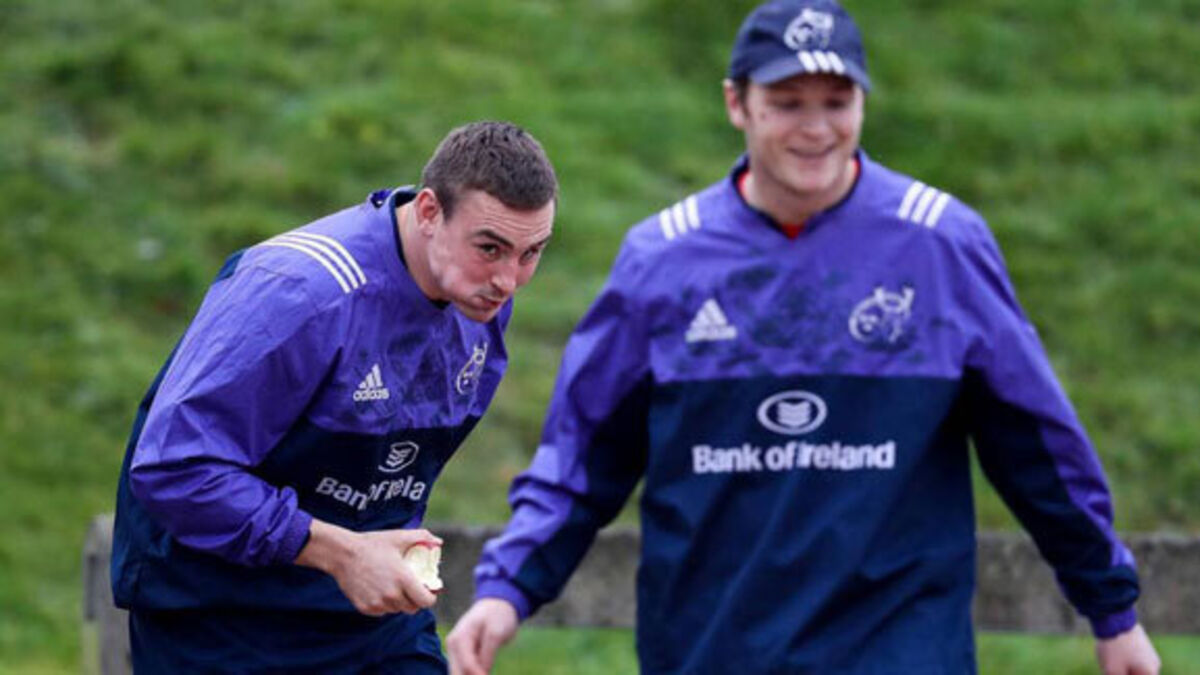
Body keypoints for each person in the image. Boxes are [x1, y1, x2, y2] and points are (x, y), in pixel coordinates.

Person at [446, 3, 1162, 674]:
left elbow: (1038, 446)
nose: (816, 128)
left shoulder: (941, 246)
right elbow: (582, 454)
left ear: (863, 103)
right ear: (737, 103)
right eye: (788, 103)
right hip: (712, 650)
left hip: (897, 651)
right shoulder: (662, 261)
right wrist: (508, 589)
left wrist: (1112, 608)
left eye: (836, 102)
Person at [110, 120, 558, 673]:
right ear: (428, 212)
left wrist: (368, 557)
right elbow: (172, 469)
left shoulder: (479, 297)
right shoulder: (299, 293)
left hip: (367, 620)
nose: (509, 280)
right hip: (221, 619)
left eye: (532, 253)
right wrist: (340, 553)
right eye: (491, 248)